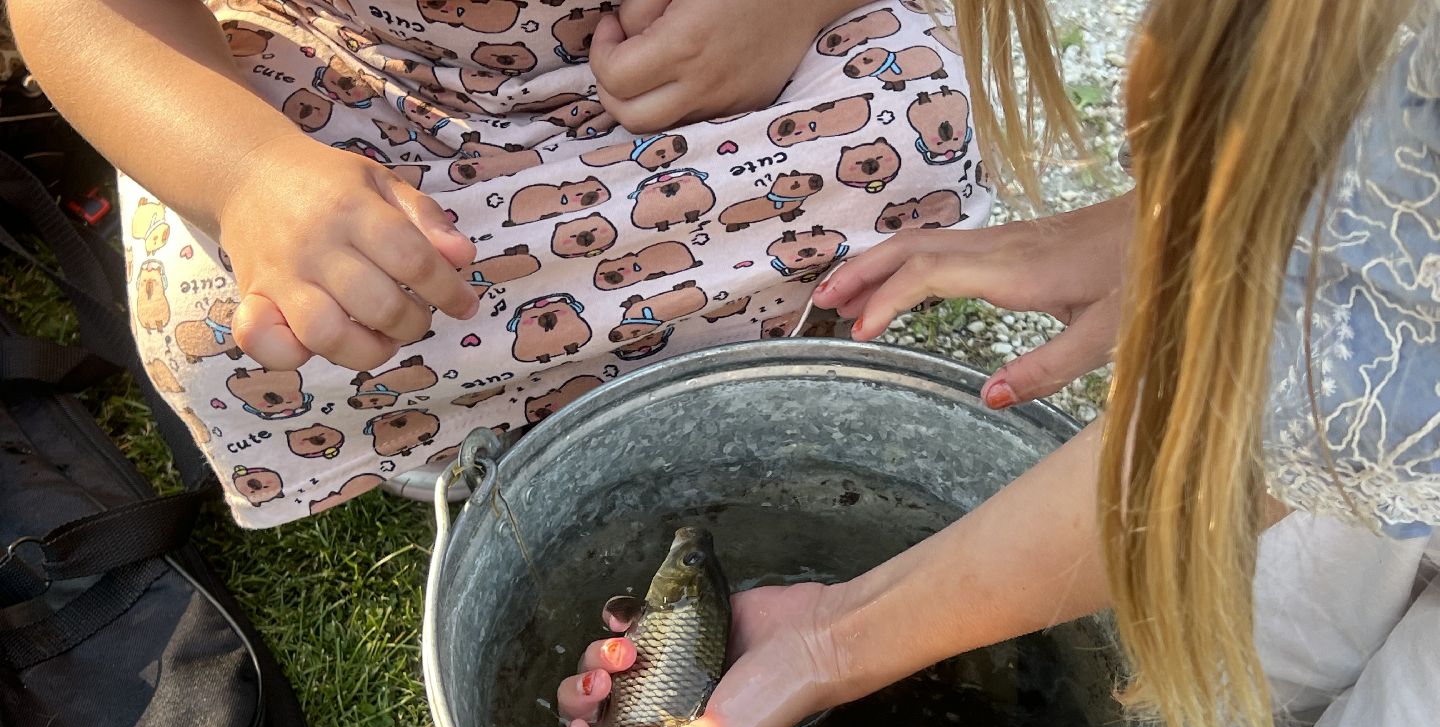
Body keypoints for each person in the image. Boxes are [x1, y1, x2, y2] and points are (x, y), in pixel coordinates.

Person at [557, 0, 1440, 727]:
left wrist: (831, 646)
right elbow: (1354, 217)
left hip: (1377, 402)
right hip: (1387, 390)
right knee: (1151, 683)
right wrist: (1144, 231)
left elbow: (1223, 464)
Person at [8, 0, 1071, 524]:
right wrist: (248, 177)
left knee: (920, 110)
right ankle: (669, 337)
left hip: (704, 67)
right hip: (361, 106)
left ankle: (497, 378)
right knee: (217, 324)